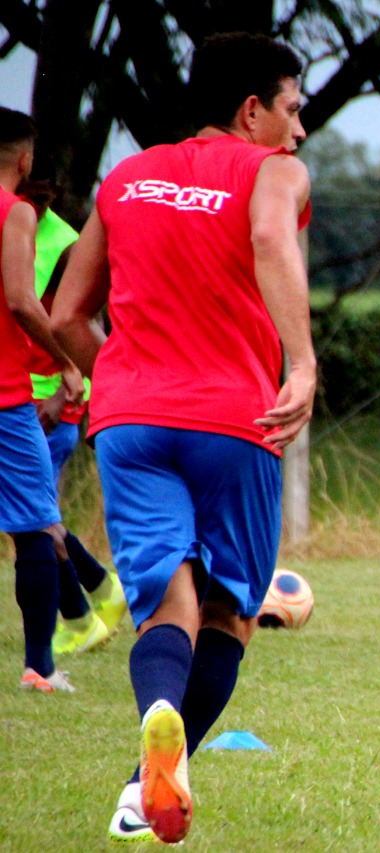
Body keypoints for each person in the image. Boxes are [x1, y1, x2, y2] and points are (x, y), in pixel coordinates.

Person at [52, 32, 315, 844]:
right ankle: (149, 774)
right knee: (229, 613)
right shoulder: (273, 170)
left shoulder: (126, 178)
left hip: (130, 422)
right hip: (235, 421)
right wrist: (302, 361)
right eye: (292, 109)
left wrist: (120, 382)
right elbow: (270, 238)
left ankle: (150, 753)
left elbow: (66, 315)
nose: (299, 129)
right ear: (252, 110)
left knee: (168, 602)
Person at [17, 167, 127, 655]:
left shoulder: (65, 244)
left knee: (36, 520)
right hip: (18, 397)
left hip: (48, 406)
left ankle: (82, 615)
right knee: (36, 517)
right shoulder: (12, 224)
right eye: (30, 195)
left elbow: (83, 323)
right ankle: (99, 591)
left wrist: (68, 391)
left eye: (45, 197)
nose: (36, 204)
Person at [0, 107, 84, 694]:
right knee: (37, 526)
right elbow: (21, 300)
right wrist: (66, 362)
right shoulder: (17, 212)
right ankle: (40, 667)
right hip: (6, 398)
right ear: (25, 160)